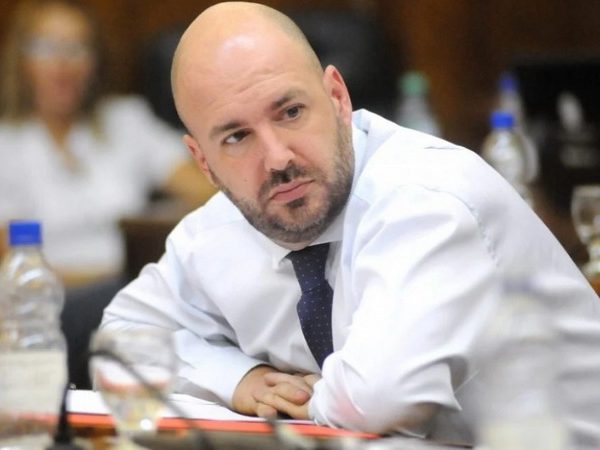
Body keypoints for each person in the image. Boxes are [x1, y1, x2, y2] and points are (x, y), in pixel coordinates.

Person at [101, 1, 600, 445]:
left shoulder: (428, 196)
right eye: (236, 137)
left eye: (291, 112)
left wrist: (316, 398)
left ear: (337, 97)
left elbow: (379, 399)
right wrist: (240, 380)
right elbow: (121, 340)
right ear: (203, 162)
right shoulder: (219, 229)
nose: (277, 158)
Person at [0, 0, 216, 288]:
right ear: (21, 59)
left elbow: (205, 187)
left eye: (77, 49)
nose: (63, 64)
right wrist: (117, 280)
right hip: (53, 297)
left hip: (142, 284)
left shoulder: (126, 121)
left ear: (95, 61)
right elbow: (13, 263)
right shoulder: (7, 145)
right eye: (47, 48)